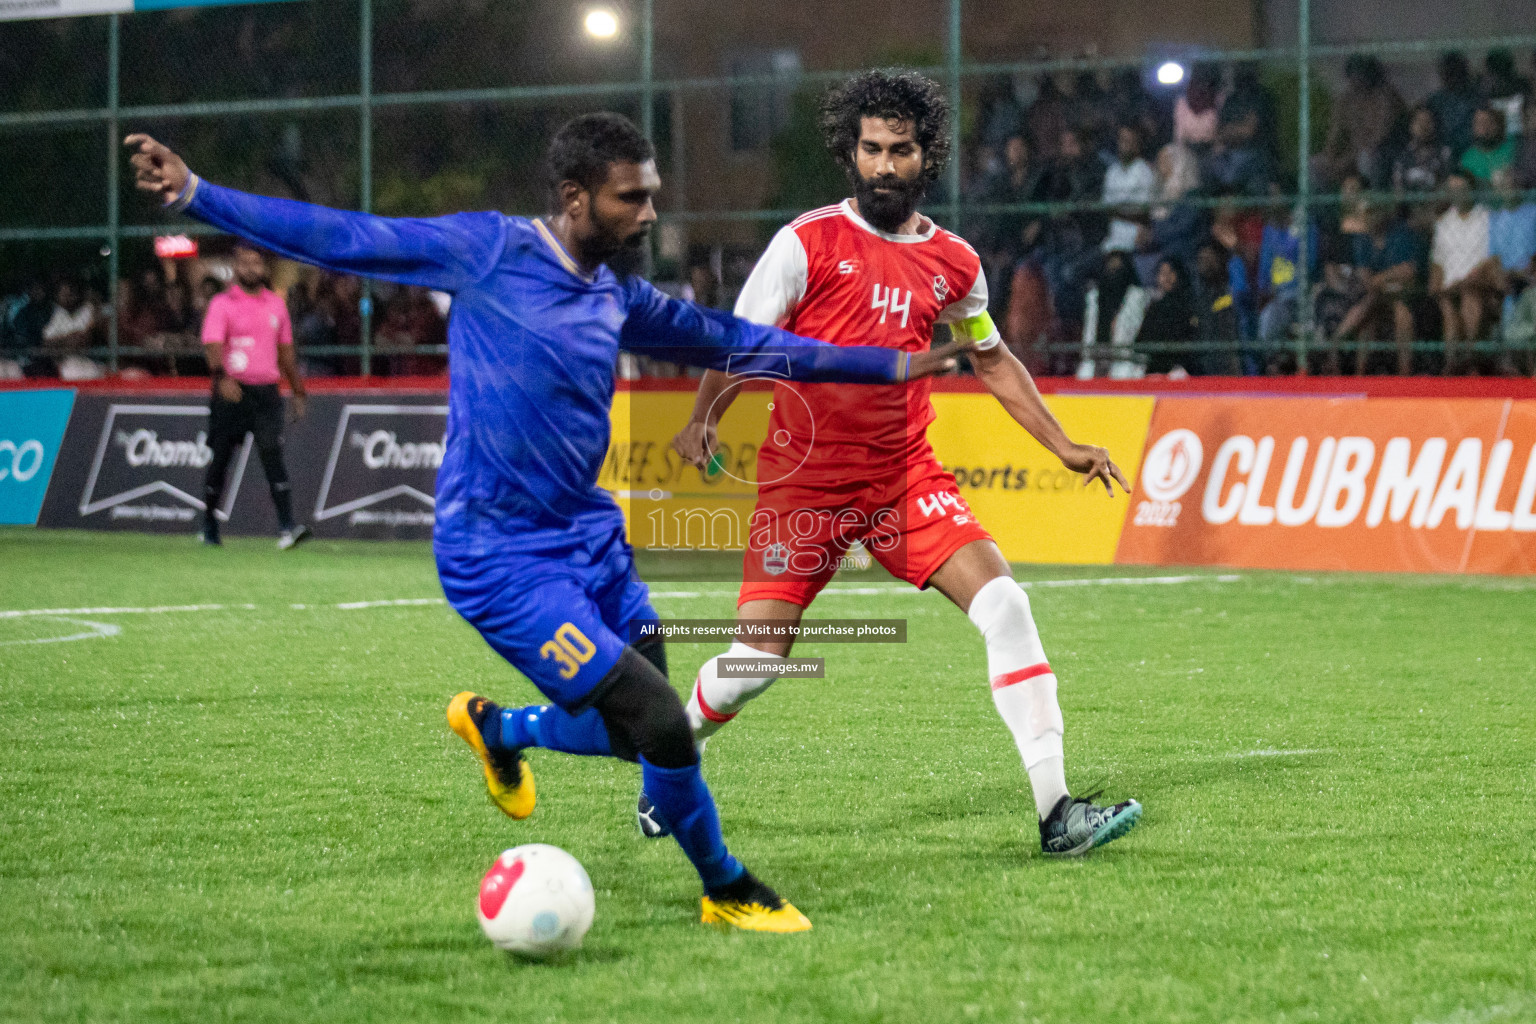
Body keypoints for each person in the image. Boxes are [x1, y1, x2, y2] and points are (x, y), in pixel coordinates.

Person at [127, 114, 960, 933]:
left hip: (589, 539)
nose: (650, 214)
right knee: (664, 722)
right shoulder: (490, 252)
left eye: (651, 195)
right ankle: (728, 885)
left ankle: (499, 727)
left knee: (643, 731)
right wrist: (198, 193)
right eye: (632, 199)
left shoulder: (617, 293)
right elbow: (344, 235)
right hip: (497, 558)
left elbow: (737, 340)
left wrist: (887, 364)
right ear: (575, 197)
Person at [644, 71, 1142, 859]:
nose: (883, 164)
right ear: (852, 153)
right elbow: (739, 344)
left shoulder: (953, 262)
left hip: (903, 478)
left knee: (1007, 605)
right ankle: (671, 754)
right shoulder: (805, 243)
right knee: (756, 666)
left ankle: (1057, 814)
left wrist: (1064, 443)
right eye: (871, 149)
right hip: (805, 484)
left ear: (925, 156)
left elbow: (992, 358)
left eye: (899, 151)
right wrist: (705, 416)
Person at [197, 243, 312, 548]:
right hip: (232, 389)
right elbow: (212, 343)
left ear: (264, 268)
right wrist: (221, 377)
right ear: (236, 267)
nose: (251, 269)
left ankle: (288, 527)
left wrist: (298, 390)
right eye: (245, 263)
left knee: (272, 453)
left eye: (256, 263)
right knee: (220, 458)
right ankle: (209, 524)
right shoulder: (222, 304)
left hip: (266, 392)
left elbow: (286, 352)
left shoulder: (276, 305)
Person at [1333, 206, 1422, 375]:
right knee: (1367, 320)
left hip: (1401, 294)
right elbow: (1366, 278)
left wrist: (1380, 278)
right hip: (1376, 294)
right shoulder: (1363, 239)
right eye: (1366, 213)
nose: (1369, 217)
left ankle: (1405, 373)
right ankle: (1359, 371)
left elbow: (1408, 271)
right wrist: (1386, 277)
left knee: (1402, 316)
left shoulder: (1400, 234)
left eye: (1373, 211)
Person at [1431, 171, 1500, 374]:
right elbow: (1437, 263)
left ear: (1471, 190)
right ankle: (1454, 367)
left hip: (1478, 283)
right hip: (1450, 287)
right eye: (1452, 189)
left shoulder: (1487, 218)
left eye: (1461, 188)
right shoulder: (1443, 223)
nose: (1457, 193)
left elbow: (1492, 258)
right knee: (1449, 307)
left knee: (1471, 296)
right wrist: (1438, 289)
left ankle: (1469, 363)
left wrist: (1474, 277)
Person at [1102, 124, 1156, 254]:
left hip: (1136, 237)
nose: (1124, 145)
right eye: (1122, 140)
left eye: (1129, 141)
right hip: (1112, 237)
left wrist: (1118, 211)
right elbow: (1105, 207)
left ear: (1137, 144)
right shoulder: (1112, 171)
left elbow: (1143, 210)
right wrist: (1121, 210)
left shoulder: (1144, 170)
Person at [1426, 52, 1481, 159]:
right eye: (1447, 74)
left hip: (1474, 152)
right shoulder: (1435, 101)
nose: (1451, 78)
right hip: (1443, 154)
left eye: (1455, 73)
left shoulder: (1477, 98)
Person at [1459, 108, 1517, 186]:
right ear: (1473, 127)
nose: (1485, 128)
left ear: (1498, 124)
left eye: (1489, 122)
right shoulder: (1467, 159)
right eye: (1480, 123)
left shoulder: (1514, 147)